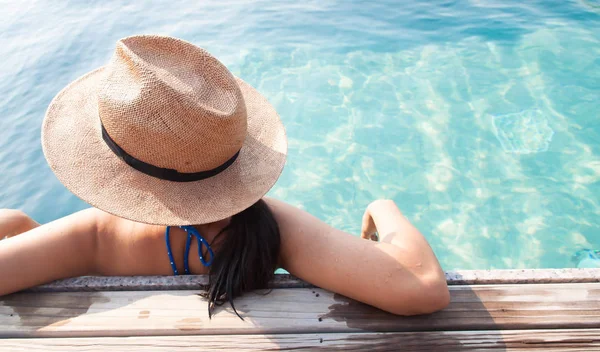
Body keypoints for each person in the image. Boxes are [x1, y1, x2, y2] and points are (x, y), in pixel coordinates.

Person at [0, 35, 449, 318]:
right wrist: (382, 209)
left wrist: (15, 225)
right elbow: (424, 289)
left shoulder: (91, 237)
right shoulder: (275, 228)